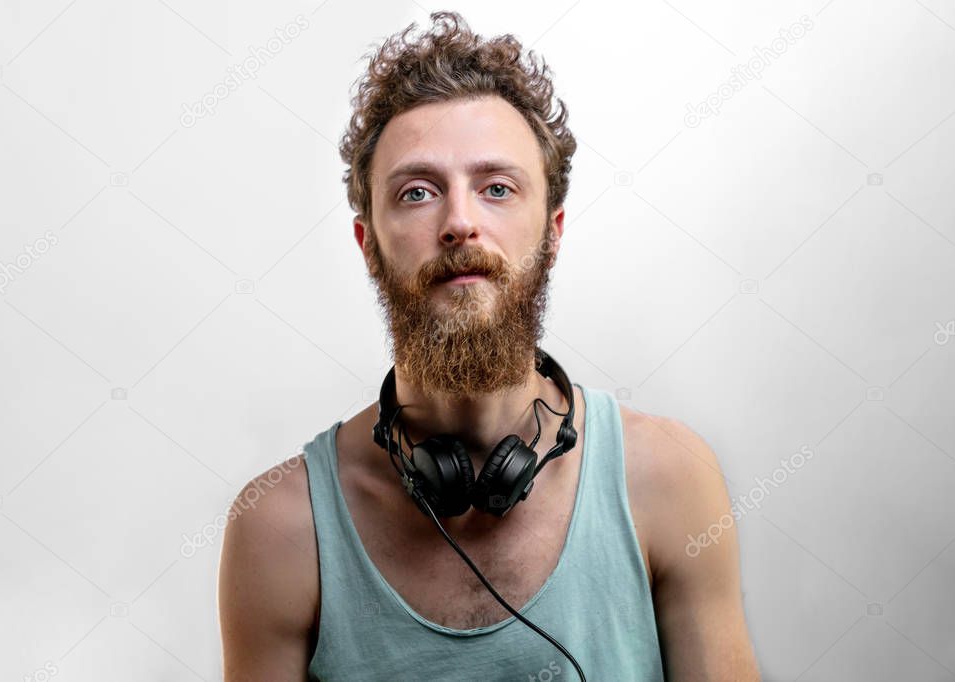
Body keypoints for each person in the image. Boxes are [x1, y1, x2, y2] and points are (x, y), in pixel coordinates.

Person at [218, 11, 760, 681]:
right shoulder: (279, 529)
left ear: (552, 231)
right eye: (417, 192)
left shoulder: (669, 478)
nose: (459, 222)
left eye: (496, 188)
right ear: (368, 244)